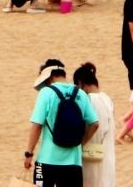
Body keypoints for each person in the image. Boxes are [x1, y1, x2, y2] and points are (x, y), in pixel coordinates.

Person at [23, 59, 97, 187]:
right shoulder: (80, 94)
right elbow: (95, 124)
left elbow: (37, 126)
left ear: (49, 76)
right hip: (73, 162)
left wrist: (29, 153)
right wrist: (81, 143)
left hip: (46, 160)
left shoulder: (46, 92)